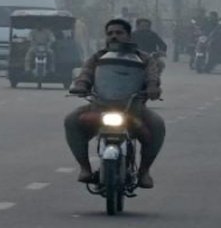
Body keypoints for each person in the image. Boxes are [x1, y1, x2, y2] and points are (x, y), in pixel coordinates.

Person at [64, 18, 167, 189]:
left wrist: (152, 88)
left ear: (128, 36)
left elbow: (152, 76)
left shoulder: (144, 59)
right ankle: (85, 168)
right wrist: (81, 85)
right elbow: (86, 74)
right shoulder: (97, 57)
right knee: (71, 121)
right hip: (99, 108)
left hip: (134, 110)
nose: (114, 36)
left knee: (157, 125)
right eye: (110, 33)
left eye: (119, 33)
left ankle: (144, 171)